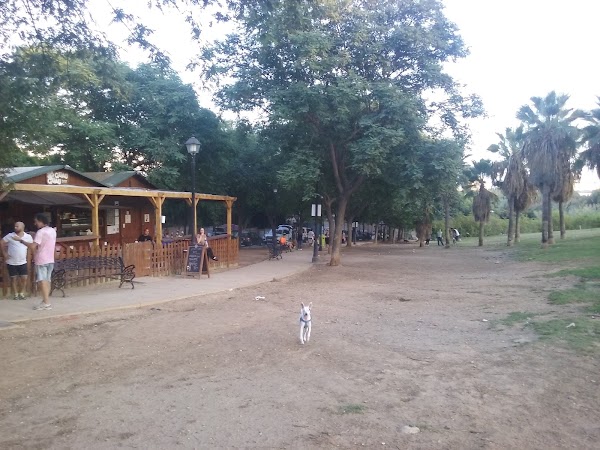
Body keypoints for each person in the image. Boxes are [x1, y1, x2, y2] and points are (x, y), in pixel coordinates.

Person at [13, 214, 56, 310]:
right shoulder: (52, 230)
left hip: (41, 259)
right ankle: (45, 301)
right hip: (50, 259)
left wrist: (21, 240)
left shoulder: (40, 232)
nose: (35, 223)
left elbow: (33, 246)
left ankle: (46, 303)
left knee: (42, 281)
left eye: (36, 221)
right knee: (47, 280)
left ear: (41, 221)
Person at [1, 221, 33, 300]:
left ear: (22, 227)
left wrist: (20, 240)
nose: (15, 228)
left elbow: (31, 245)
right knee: (13, 278)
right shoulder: (10, 235)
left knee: (24, 278)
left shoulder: (28, 236)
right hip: (11, 261)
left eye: (17, 226)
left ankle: (21, 293)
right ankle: (15, 294)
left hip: (23, 261)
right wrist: (4, 253)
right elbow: (1, 242)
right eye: (15, 226)